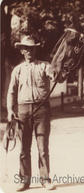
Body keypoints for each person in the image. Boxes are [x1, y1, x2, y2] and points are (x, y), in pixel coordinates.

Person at [7, 35, 59, 191]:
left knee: (43, 148)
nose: (29, 51)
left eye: (32, 48)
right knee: (24, 148)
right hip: (23, 112)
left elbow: (56, 76)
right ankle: (24, 180)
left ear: (36, 49)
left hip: (42, 110)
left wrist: (56, 73)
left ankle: (45, 179)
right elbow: (11, 92)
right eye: (26, 48)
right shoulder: (17, 70)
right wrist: (10, 111)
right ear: (22, 50)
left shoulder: (45, 66)